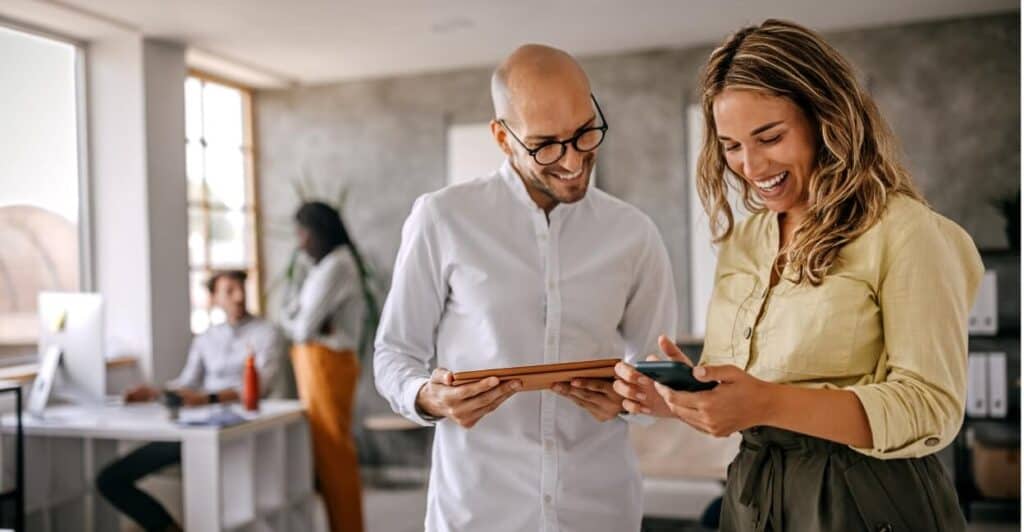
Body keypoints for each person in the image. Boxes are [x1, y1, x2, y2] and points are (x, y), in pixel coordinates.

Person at [614, 19, 984, 532]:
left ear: (825, 119)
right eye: (731, 145)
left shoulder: (905, 231)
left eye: (769, 137)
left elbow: (930, 408)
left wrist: (768, 402)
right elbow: (741, 391)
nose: (749, 164)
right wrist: (676, 401)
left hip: (866, 499)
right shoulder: (745, 241)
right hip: (753, 498)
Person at [373, 44, 678, 532]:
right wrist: (429, 398)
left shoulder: (634, 234)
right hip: (478, 509)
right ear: (502, 136)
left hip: (600, 507)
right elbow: (393, 354)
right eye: (546, 145)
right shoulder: (443, 218)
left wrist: (631, 400)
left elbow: (658, 370)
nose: (574, 160)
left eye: (584, 133)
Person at [97, 270, 285, 532]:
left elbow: (260, 387)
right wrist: (153, 392)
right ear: (214, 298)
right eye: (230, 291)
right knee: (110, 480)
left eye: (242, 288)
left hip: (239, 431)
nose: (240, 296)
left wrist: (207, 398)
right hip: (198, 428)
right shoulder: (205, 338)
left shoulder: (267, 333)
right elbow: (186, 383)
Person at [280, 201, 369, 532]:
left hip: (327, 364)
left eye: (303, 232)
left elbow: (299, 327)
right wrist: (302, 319)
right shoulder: (323, 267)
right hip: (320, 363)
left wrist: (298, 320)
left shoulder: (335, 266)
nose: (300, 242)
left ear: (320, 231)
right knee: (329, 454)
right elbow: (296, 317)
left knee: (334, 455)